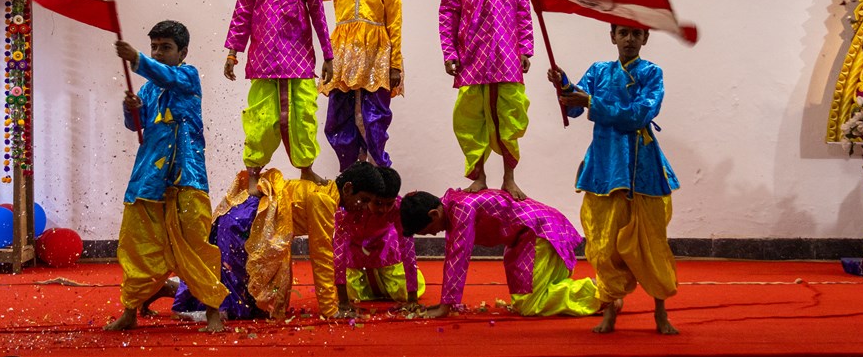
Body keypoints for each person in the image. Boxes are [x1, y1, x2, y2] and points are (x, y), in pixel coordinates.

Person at [548, 23, 680, 335]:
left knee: (650, 244)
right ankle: (611, 309)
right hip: (604, 168)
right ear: (613, 37)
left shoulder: (652, 74)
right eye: (623, 33)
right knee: (603, 246)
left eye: (636, 34)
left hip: (641, 170)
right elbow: (575, 108)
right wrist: (563, 84)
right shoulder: (598, 71)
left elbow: (638, 114)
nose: (630, 39)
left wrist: (590, 102)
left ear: (646, 38)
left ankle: (660, 312)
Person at [105, 21, 228, 332]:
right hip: (148, 179)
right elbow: (137, 126)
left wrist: (136, 60)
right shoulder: (147, 88)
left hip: (186, 176)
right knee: (138, 245)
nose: (158, 53)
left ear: (182, 52)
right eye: (154, 47)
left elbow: (166, 75)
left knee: (196, 244)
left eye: (165, 48)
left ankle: (213, 313)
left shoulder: (187, 76)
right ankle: (130, 311)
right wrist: (130, 108)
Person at [224, 0, 334, 197]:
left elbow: (319, 17)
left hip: (299, 60)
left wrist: (328, 56)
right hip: (263, 61)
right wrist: (233, 52)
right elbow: (242, 14)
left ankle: (306, 168)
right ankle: (253, 173)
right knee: (260, 120)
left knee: (304, 117)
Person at [438, 0, 534, 200]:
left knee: (509, 117)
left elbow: (522, 9)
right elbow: (448, 11)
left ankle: (509, 178)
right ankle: (478, 177)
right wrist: (450, 53)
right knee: (470, 119)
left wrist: (526, 48)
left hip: (507, 56)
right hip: (472, 57)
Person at [175, 167, 351, 319]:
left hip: (243, 218)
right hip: (246, 226)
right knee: (236, 306)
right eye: (366, 200)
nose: (366, 208)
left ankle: (170, 290)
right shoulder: (324, 199)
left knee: (241, 293)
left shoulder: (322, 191)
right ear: (348, 190)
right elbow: (322, 256)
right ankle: (183, 299)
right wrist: (331, 310)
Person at [400, 188, 598, 319]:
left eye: (428, 230)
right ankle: (591, 293)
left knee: (529, 304)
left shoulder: (461, 209)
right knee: (535, 295)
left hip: (538, 231)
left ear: (434, 214)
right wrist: (446, 302)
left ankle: (598, 292)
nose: (433, 233)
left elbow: (457, 257)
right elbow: (452, 254)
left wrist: (445, 307)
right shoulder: (453, 206)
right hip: (526, 238)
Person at [314, 0, 404, 170]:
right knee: (341, 114)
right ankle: (351, 169)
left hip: (376, 57)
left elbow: (395, 26)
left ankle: (377, 168)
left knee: (373, 116)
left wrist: (395, 65)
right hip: (344, 55)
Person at [335, 164, 424, 316]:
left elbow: (408, 248)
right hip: (355, 250)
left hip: (385, 247)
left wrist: (412, 298)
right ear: (369, 196)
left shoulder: (398, 208)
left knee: (401, 292)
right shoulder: (350, 207)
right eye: (377, 203)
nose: (383, 210)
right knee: (349, 294)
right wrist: (343, 301)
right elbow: (338, 249)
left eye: (389, 204)